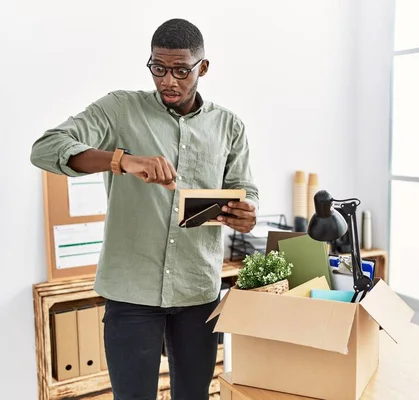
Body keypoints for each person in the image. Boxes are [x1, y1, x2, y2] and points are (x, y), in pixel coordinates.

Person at [30, 18, 259, 400]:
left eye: (181, 70)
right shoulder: (120, 108)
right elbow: (46, 147)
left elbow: (244, 187)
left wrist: (248, 210)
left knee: (194, 396)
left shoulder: (229, 126)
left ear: (203, 68)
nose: (168, 80)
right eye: (158, 68)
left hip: (197, 289)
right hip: (130, 291)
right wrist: (122, 160)